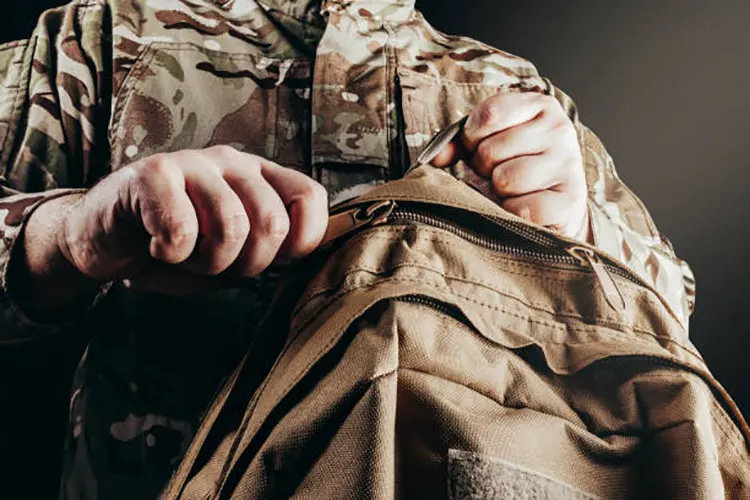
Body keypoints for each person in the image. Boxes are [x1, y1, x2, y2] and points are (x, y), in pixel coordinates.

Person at [0, 0, 695, 498]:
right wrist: (72, 234)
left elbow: (673, 327)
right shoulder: (99, 39)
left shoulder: (509, 90)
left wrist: (581, 235)